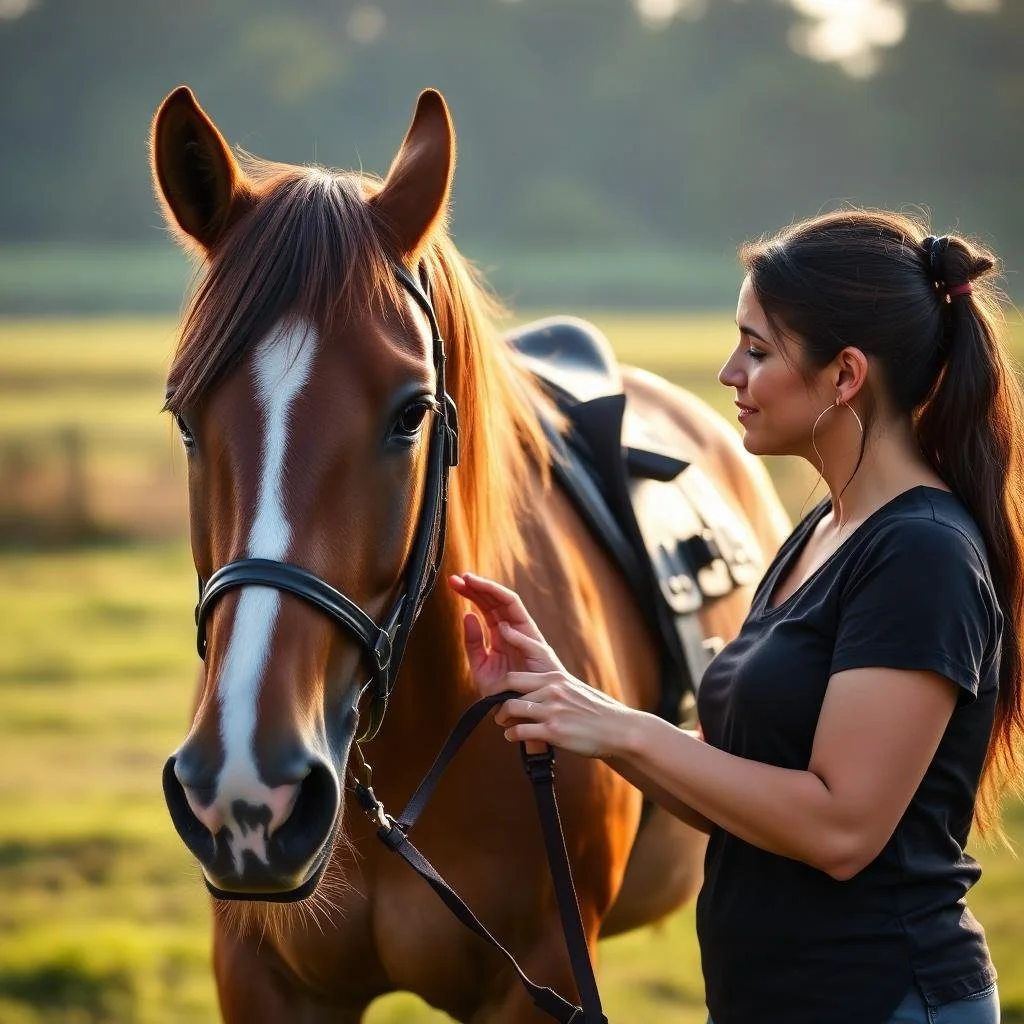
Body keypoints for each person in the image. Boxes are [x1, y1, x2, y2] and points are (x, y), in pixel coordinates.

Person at [449, 209, 1024, 1024]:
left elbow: (840, 827)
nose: (728, 373)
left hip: (884, 1000)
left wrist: (620, 729)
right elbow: (730, 784)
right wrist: (563, 697)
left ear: (846, 375)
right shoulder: (821, 534)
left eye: (757, 351)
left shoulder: (922, 556)